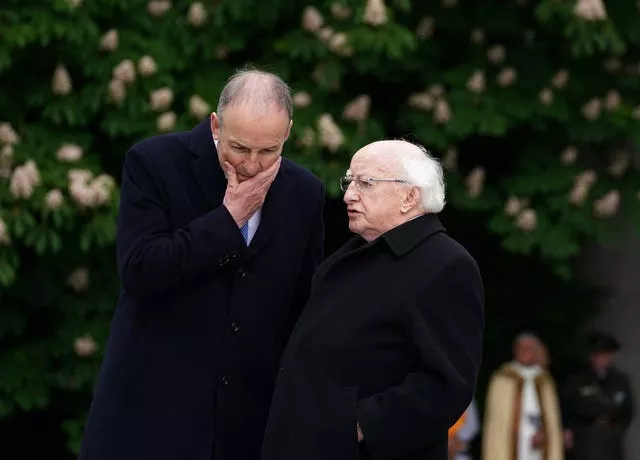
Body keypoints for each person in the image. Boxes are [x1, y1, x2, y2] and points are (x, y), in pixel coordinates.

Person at [78, 69, 326, 460]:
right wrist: (228, 220)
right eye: (240, 148)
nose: (253, 165)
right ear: (216, 124)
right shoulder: (154, 162)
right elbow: (140, 270)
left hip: (246, 424)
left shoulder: (306, 192)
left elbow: (301, 308)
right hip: (150, 415)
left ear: (288, 132)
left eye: (269, 151)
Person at [261, 140, 485, 460]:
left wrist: (358, 424)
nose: (349, 194)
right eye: (350, 181)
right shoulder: (355, 253)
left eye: (366, 183)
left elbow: (446, 385)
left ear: (409, 197)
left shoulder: (445, 265)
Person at [482, 333, 564, 460]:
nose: (525, 351)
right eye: (521, 348)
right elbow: (497, 422)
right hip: (511, 443)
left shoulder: (544, 381)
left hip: (538, 445)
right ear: (515, 350)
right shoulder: (503, 379)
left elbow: (552, 419)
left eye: (530, 348)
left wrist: (545, 433)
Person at [563, 331, 634, 460]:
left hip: (611, 442)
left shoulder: (621, 381)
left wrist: (616, 429)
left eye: (607, 355)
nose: (603, 359)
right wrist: (567, 430)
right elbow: (566, 407)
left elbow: (628, 411)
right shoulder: (577, 380)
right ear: (591, 356)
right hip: (584, 440)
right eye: (599, 355)